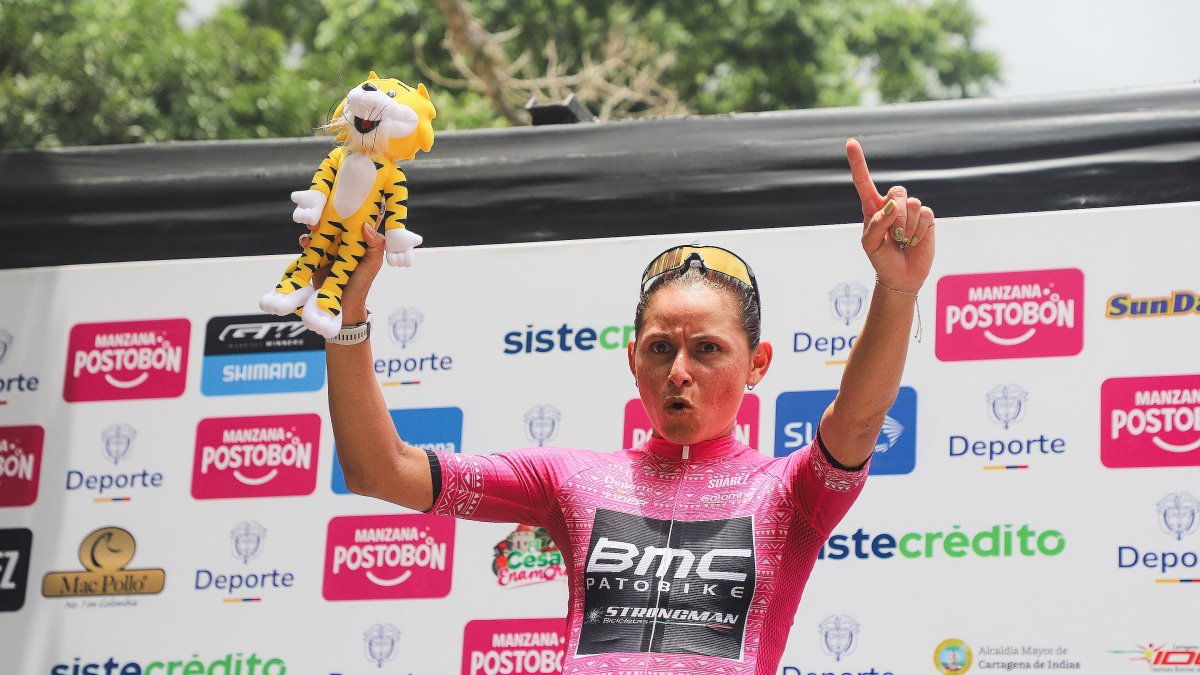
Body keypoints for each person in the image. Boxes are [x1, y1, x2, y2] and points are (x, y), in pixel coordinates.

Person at [319, 139, 934, 674]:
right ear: (632, 358)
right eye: (661, 348)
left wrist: (896, 288)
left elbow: (853, 420)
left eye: (709, 350)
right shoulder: (570, 478)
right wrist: (348, 316)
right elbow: (379, 470)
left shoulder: (790, 490)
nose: (680, 373)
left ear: (758, 364)